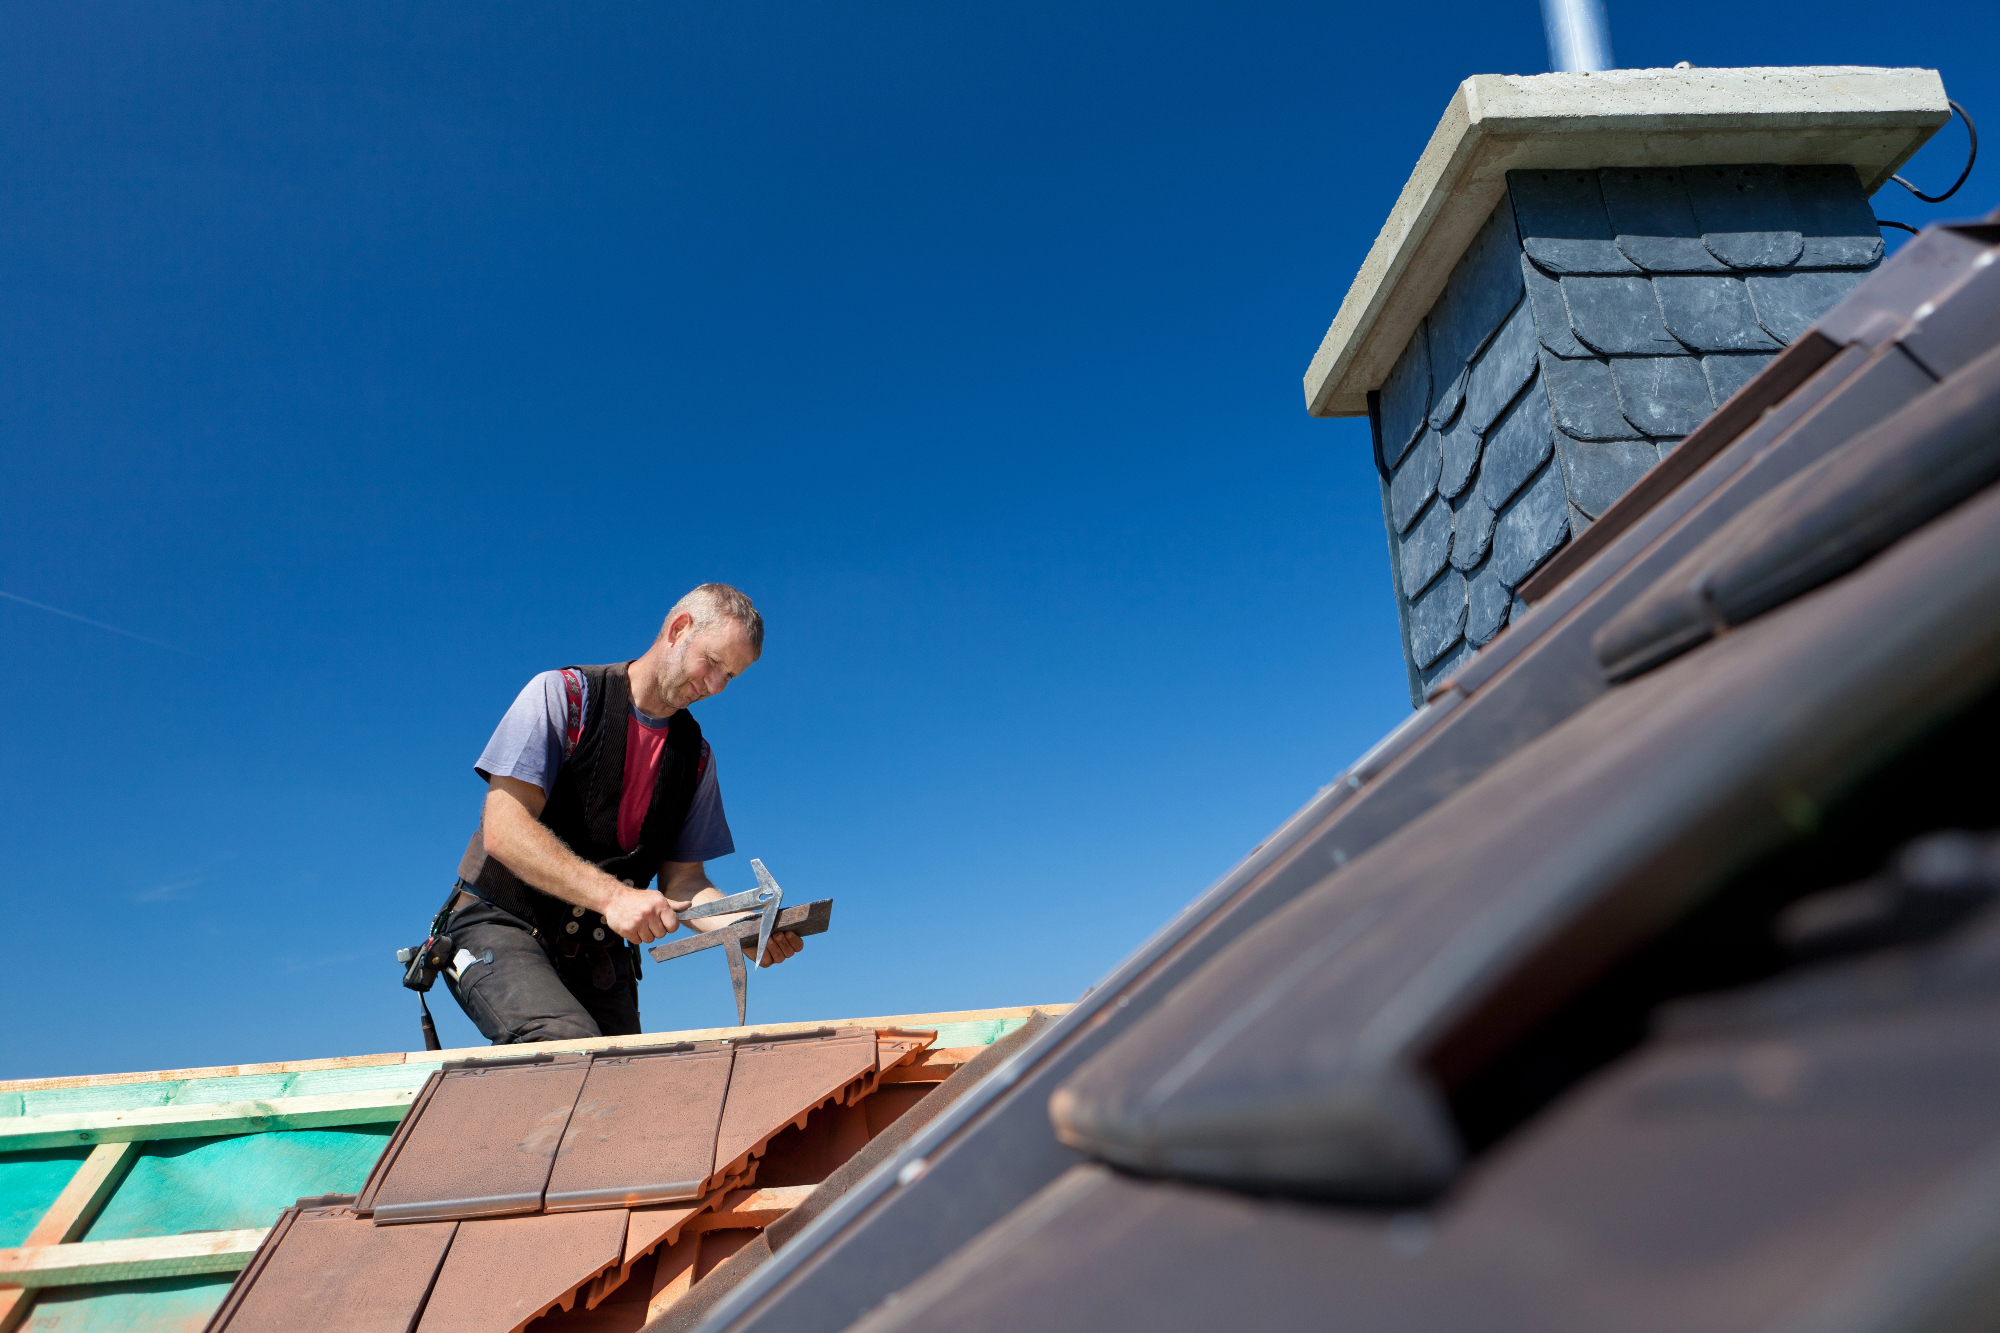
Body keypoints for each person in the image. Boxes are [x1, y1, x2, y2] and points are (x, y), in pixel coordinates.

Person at [438, 583, 802, 1043]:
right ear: (679, 628)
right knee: (564, 1046)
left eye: (729, 676)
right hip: (499, 923)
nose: (714, 686)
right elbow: (504, 830)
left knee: (625, 1081)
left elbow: (685, 884)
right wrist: (613, 898)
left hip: (594, 953)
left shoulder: (696, 759)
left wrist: (744, 927)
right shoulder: (563, 696)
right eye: (712, 663)